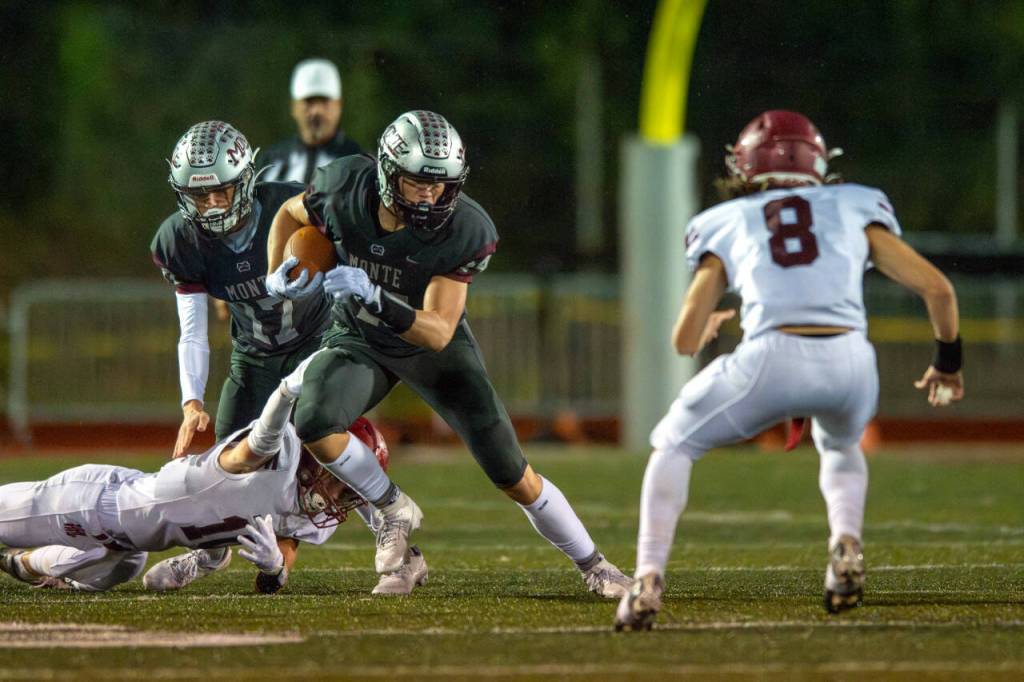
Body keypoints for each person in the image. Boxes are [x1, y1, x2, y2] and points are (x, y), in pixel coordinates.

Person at [613, 110, 964, 630]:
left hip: (772, 356)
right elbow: (939, 289)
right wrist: (947, 364)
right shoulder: (853, 205)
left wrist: (707, 325)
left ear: (746, 163)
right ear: (820, 163)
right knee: (842, 447)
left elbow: (683, 339)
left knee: (674, 444)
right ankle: (845, 544)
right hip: (851, 360)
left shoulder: (728, 219)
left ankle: (647, 576)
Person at [263, 110, 632, 597]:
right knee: (313, 419)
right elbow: (291, 214)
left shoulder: (465, 228)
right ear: (389, 173)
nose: (432, 194)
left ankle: (595, 566)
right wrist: (275, 272)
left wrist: (377, 296)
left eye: (441, 184)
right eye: (419, 182)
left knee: (511, 473)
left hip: (427, 346)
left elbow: (437, 332)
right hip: (359, 337)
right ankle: (393, 511)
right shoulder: (342, 187)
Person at [0, 385, 427, 596]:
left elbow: (278, 570)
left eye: (350, 488)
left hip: (126, 541)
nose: (339, 496)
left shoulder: (307, 508)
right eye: (339, 478)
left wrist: (275, 570)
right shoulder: (273, 457)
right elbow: (252, 449)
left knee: (119, 568)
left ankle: (22, 564)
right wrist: (286, 393)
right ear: (317, 457)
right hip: (92, 503)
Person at [151, 120, 331, 457]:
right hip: (254, 358)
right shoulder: (180, 241)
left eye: (223, 190)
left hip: (317, 344)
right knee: (229, 461)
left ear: (246, 180)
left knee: (321, 443)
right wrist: (191, 403)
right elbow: (191, 332)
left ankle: (380, 503)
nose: (215, 203)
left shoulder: (293, 207)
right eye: (201, 195)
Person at [260, 58, 363, 185]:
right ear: (293, 106)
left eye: (324, 101)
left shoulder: (359, 164)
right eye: (308, 101)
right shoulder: (271, 162)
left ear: (339, 105)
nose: (316, 111)